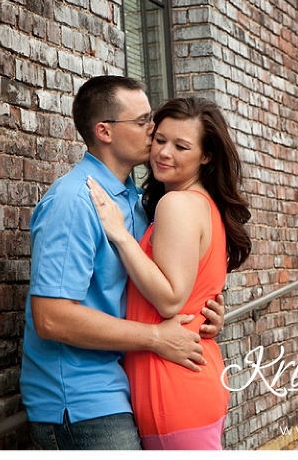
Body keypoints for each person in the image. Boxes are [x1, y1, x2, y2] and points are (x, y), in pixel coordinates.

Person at [19, 75, 226, 450]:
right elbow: (50, 317)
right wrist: (156, 338)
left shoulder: (135, 202)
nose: (153, 129)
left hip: (121, 385)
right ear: (105, 131)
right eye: (143, 121)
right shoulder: (74, 201)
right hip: (81, 401)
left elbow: (157, 287)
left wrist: (203, 310)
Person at [87, 95, 251, 450]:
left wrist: (119, 234)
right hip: (187, 377)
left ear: (205, 156)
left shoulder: (177, 204)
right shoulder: (202, 204)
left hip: (174, 387)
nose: (164, 153)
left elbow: (171, 300)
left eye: (181, 146)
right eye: (160, 140)